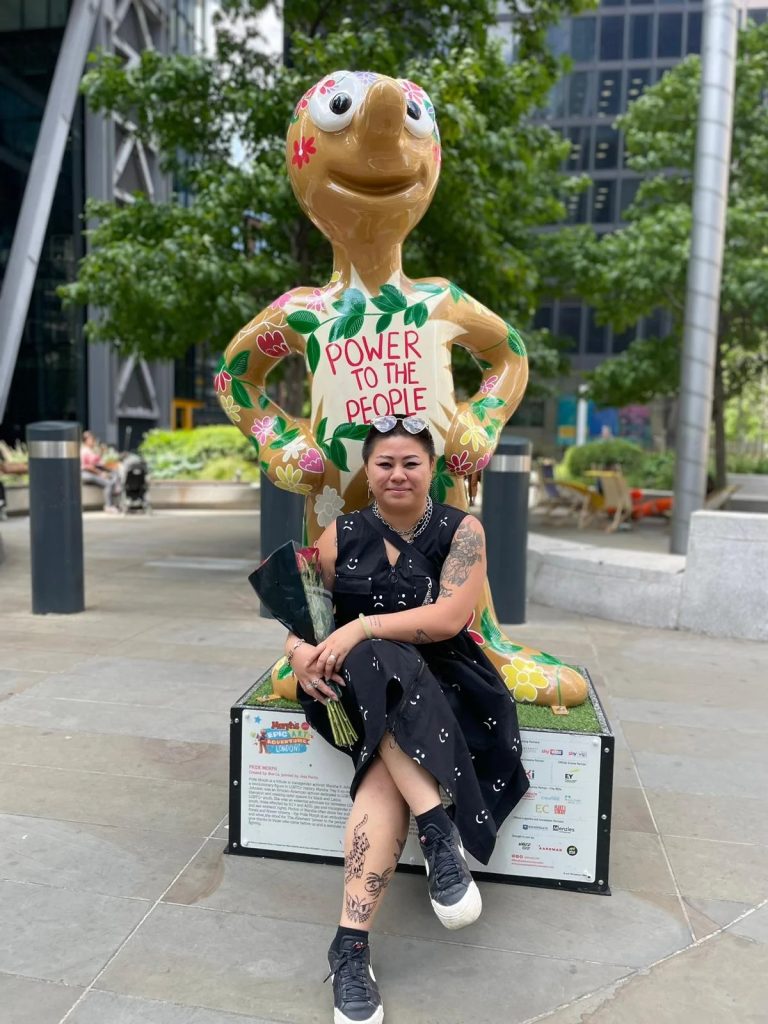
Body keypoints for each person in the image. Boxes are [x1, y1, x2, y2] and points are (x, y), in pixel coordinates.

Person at [285, 414, 529, 1024]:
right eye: (385, 463)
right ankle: (438, 831)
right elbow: (305, 613)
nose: (398, 474)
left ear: (431, 469)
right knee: (372, 663)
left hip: (447, 685)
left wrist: (360, 627)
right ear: (368, 472)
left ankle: (350, 946)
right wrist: (298, 654)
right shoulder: (340, 533)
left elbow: (447, 620)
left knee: (380, 746)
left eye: (411, 463)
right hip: (355, 691)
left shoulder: (461, 530)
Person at [80, 430, 120, 513]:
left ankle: (115, 500)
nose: (93, 441)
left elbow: (98, 463)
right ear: (86, 440)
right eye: (91, 439)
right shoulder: (84, 451)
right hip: (87, 474)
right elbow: (87, 467)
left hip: (91, 473)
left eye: (93, 439)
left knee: (113, 477)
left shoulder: (89, 450)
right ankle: (108, 506)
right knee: (108, 483)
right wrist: (100, 473)